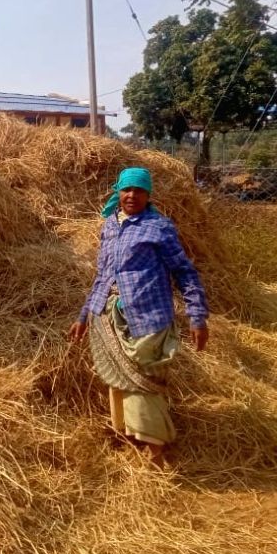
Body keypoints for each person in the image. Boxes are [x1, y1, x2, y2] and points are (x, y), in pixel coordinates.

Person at [68, 167, 209, 466]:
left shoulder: (159, 227)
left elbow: (184, 272)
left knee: (144, 381)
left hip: (149, 315)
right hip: (109, 315)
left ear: (148, 195)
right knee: (121, 381)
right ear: (118, 192)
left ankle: (156, 449)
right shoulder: (109, 225)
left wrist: (197, 316)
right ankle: (131, 436)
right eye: (126, 190)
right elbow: (103, 275)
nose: (132, 196)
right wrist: (84, 315)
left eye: (140, 191)